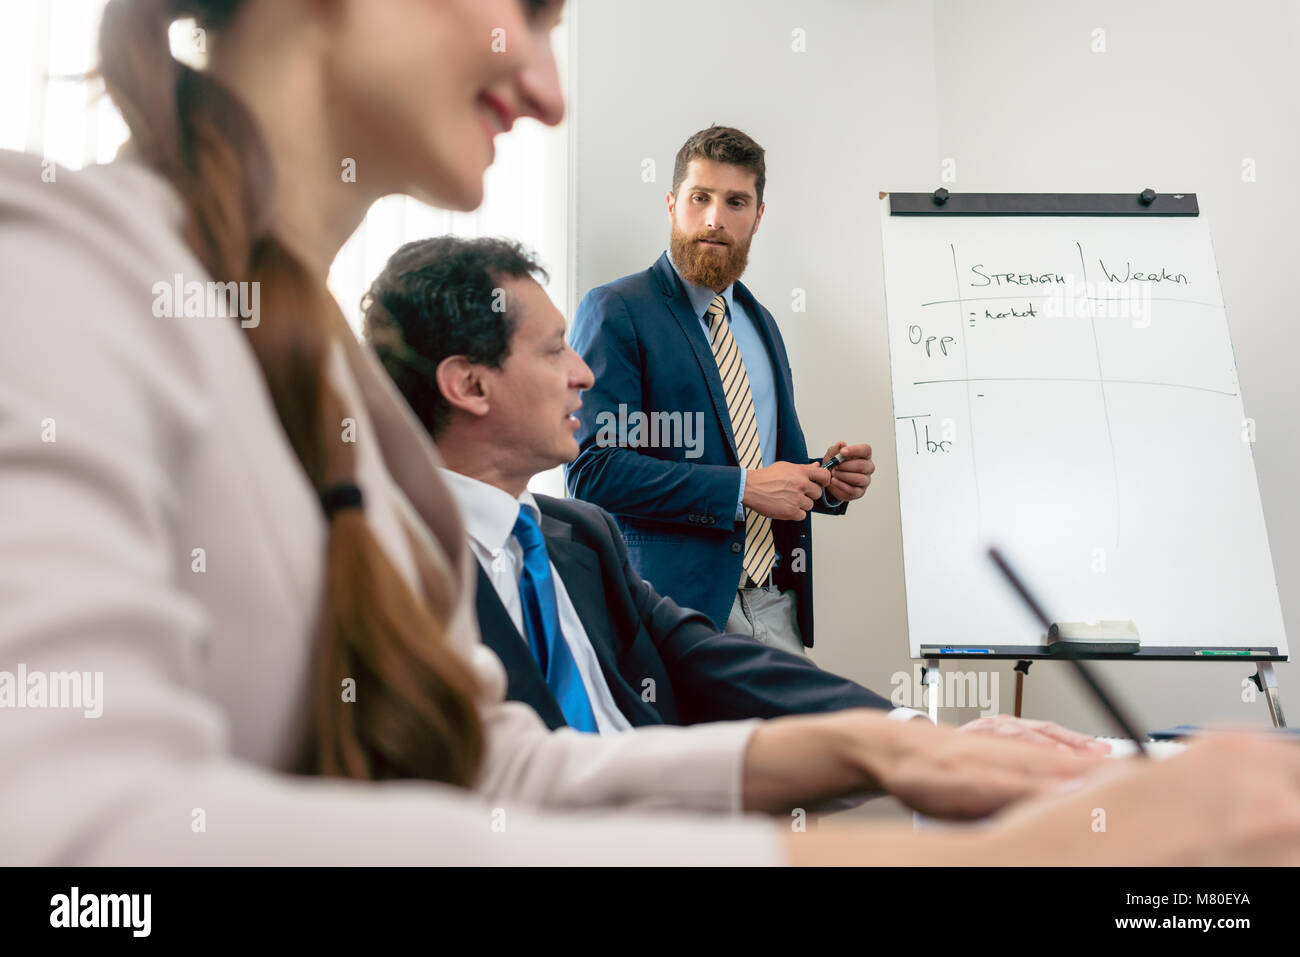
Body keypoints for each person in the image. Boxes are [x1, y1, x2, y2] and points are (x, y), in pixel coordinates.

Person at [1, 0, 1298, 867]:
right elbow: (81, 842)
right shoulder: (53, 267)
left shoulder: (341, 402)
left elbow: (499, 773)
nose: (552, 89)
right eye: (526, 5)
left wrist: (892, 746)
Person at [361, 233, 1108, 764]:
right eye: (555, 349)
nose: (583, 374)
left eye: (740, 201)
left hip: (751, 632)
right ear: (470, 384)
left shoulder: (575, 537)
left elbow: (704, 658)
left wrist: (919, 733)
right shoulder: (375, 568)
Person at [566, 126, 874, 657]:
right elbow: (592, 471)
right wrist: (741, 489)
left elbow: (764, 462)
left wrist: (824, 480)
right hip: (673, 613)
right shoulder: (617, 310)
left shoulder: (762, 324)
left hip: (777, 603)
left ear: (757, 216)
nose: (715, 218)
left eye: (736, 202)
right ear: (671, 204)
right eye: (699, 198)